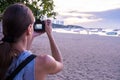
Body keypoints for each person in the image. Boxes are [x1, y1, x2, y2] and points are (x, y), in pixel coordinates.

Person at [0, 3, 63, 80]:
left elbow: (25, 58)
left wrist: (31, 35)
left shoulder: (3, 54)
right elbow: (60, 64)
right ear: (29, 28)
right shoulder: (43, 62)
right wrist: (50, 35)